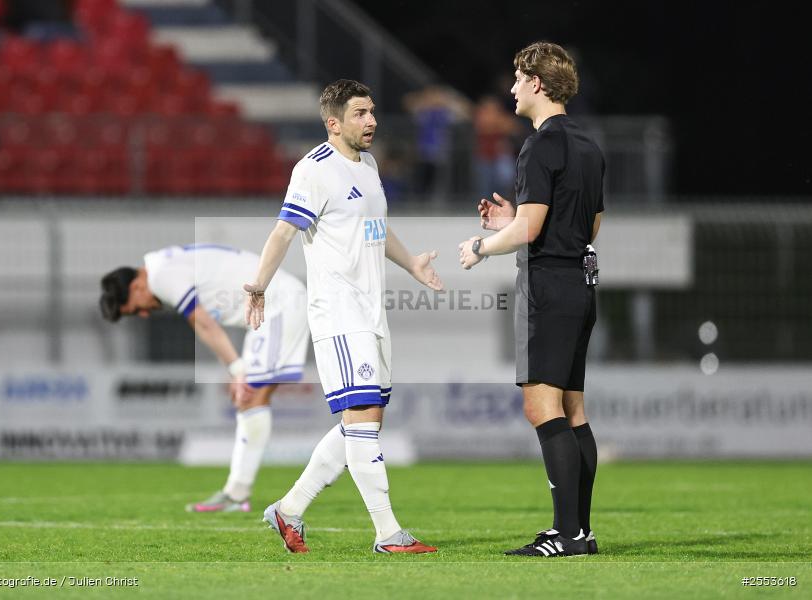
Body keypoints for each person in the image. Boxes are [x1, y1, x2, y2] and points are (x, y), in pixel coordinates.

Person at [245, 79, 443, 554]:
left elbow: (375, 228)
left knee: (365, 420)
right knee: (363, 418)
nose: (371, 120)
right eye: (359, 113)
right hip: (338, 312)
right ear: (333, 123)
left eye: (372, 111)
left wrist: (412, 262)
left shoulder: (370, 165)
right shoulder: (314, 170)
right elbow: (283, 233)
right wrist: (259, 284)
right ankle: (388, 534)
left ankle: (289, 509)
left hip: (372, 312)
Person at [458, 42, 605, 557]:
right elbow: (590, 224)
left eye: (518, 79)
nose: (512, 89)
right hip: (582, 284)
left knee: (540, 405)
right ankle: (578, 531)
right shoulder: (589, 145)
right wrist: (515, 223)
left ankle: (567, 535)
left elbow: (533, 225)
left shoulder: (538, 145)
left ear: (537, 83)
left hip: (547, 286)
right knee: (573, 409)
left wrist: (483, 243)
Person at [99, 243, 309, 514]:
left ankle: (237, 494)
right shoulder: (165, 264)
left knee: (252, 396)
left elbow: (203, 323)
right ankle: (236, 493)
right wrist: (236, 368)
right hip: (270, 308)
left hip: (279, 304)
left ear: (137, 287)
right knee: (250, 399)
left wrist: (236, 368)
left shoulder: (161, 276)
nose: (143, 313)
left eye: (134, 309)